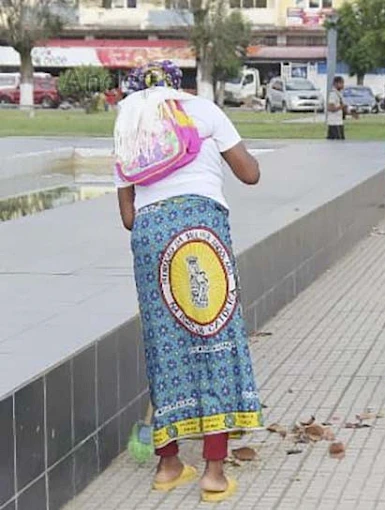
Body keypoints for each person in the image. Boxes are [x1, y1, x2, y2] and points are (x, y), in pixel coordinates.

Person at [114, 61, 264, 501]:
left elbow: (127, 216)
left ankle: (168, 463)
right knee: (214, 337)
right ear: (180, 87)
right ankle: (214, 474)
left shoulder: (128, 124)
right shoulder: (205, 110)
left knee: (165, 344)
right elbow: (251, 174)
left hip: (150, 235)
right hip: (202, 228)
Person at [327, 75, 356, 140]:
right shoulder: (333, 94)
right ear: (335, 84)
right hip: (334, 123)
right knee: (338, 142)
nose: (343, 85)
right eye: (341, 83)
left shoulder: (339, 93)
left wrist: (351, 113)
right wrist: (342, 106)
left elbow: (341, 107)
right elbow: (330, 108)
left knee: (341, 141)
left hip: (339, 122)